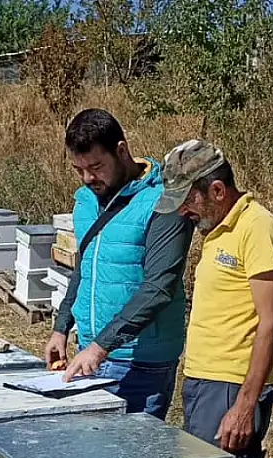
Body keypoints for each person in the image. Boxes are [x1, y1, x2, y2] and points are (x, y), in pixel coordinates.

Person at [45, 109, 193, 419]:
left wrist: (101, 347)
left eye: (96, 167)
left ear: (121, 150)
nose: (88, 178)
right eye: (79, 169)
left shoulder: (164, 203)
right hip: (91, 354)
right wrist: (61, 329)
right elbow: (84, 269)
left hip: (142, 363)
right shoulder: (85, 202)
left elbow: (158, 288)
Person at [154, 139, 273, 458]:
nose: (184, 211)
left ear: (216, 189)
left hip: (230, 387)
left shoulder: (257, 227)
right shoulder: (215, 230)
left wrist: (244, 405)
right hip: (203, 381)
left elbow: (271, 323)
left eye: (188, 200)